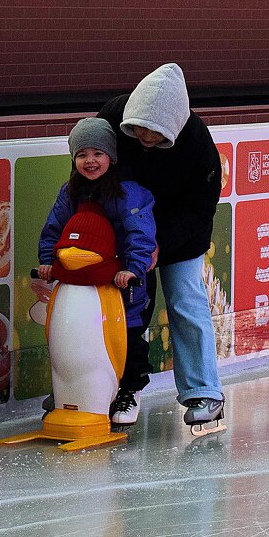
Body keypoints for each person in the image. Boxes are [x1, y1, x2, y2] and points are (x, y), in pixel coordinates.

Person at [98, 62, 226, 434]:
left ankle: (204, 392)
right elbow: (90, 165)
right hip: (128, 226)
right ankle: (123, 387)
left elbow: (201, 206)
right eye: (136, 129)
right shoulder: (113, 117)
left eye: (152, 133)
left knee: (186, 298)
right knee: (128, 305)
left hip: (179, 232)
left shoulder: (197, 143)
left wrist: (160, 243)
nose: (142, 137)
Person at [37, 117, 157, 425]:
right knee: (77, 334)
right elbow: (55, 228)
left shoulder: (126, 194)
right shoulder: (71, 193)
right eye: (82, 155)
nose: (90, 161)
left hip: (120, 283)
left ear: (111, 157)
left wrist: (132, 268)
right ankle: (74, 390)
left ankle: (130, 388)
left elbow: (139, 233)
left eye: (97, 153)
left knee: (126, 334)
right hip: (83, 283)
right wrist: (48, 260)